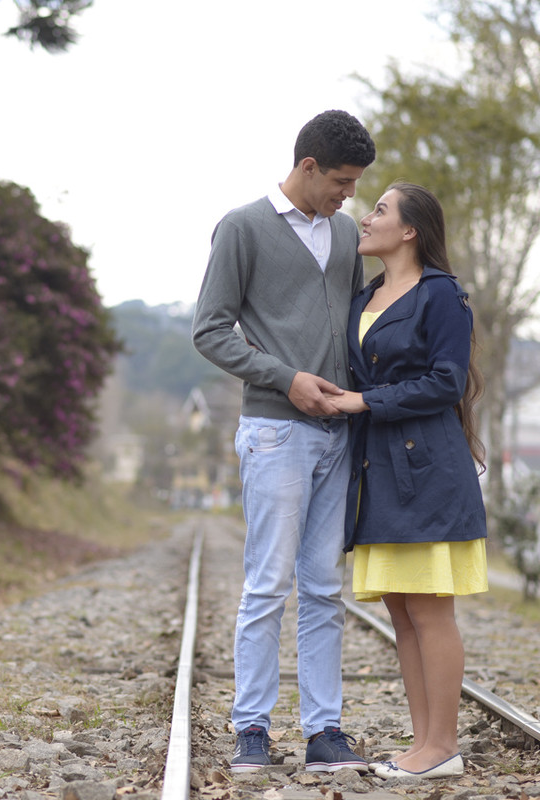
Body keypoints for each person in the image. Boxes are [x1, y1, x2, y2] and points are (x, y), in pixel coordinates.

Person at [192, 109, 376, 774]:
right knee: (268, 584)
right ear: (307, 166)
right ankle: (251, 731)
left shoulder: (349, 233)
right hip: (275, 430)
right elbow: (209, 329)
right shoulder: (243, 228)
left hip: (339, 432)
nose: (349, 193)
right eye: (342, 180)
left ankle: (325, 732)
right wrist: (286, 379)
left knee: (325, 587)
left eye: (355, 183)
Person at [325, 181, 488, 780]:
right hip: (378, 471)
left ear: (411, 230)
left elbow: (446, 382)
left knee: (429, 610)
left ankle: (440, 745)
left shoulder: (441, 295)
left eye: (379, 210)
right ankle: (425, 745)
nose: (365, 219)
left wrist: (363, 401)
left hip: (426, 470)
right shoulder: (365, 295)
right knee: (400, 610)